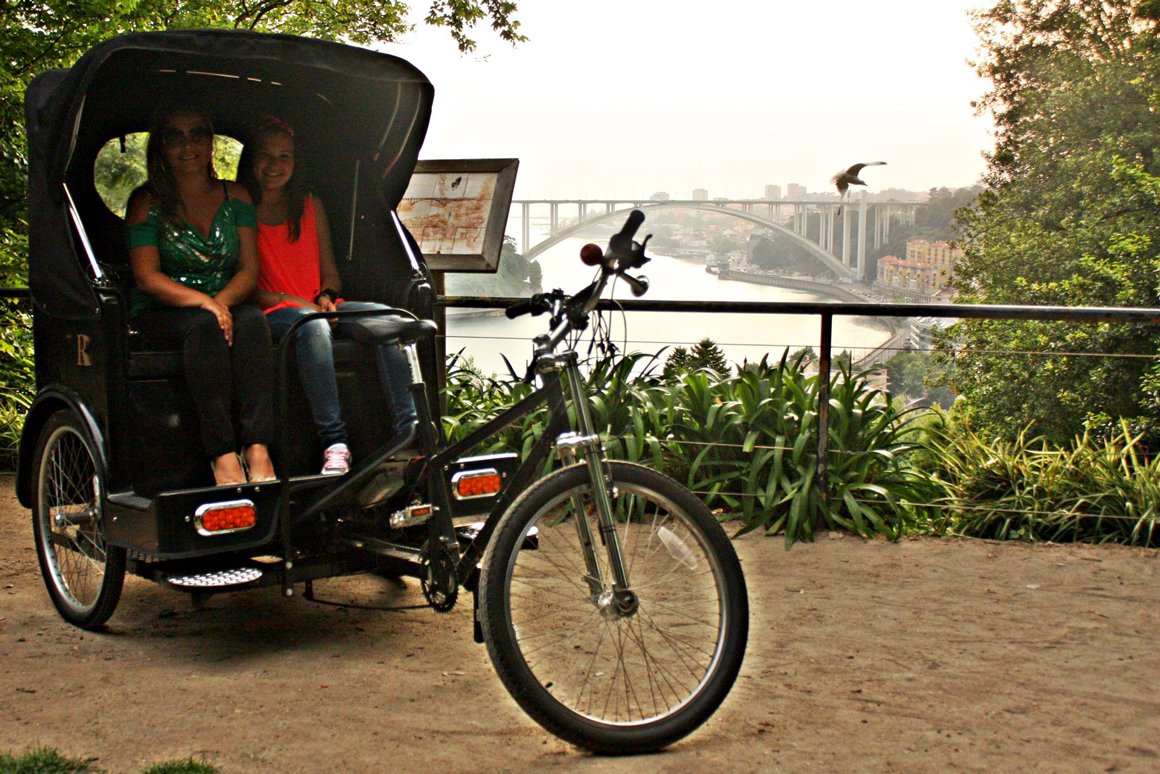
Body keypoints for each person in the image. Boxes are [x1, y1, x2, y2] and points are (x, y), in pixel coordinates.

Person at [244, 114, 417, 476]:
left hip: (318, 307)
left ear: (296, 162)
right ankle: (335, 443)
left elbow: (330, 272)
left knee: (389, 319)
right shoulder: (241, 210)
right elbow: (247, 287)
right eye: (266, 156)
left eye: (284, 157)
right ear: (252, 160)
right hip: (274, 312)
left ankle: (409, 432)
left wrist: (326, 294)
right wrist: (302, 305)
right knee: (312, 325)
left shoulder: (310, 205)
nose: (275, 165)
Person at [125, 105, 276, 486]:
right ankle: (222, 454)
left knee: (253, 322)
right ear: (161, 148)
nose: (187, 146)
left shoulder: (236, 197)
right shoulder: (146, 202)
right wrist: (205, 303)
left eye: (197, 135)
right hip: (163, 308)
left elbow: (248, 269)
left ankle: (257, 447)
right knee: (206, 327)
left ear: (210, 144)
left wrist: (219, 302)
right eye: (175, 137)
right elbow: (146, 277)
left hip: (222, 300)